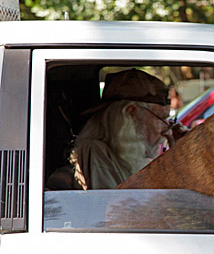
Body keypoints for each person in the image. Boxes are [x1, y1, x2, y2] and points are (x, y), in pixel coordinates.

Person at [46, 68, 187, 190]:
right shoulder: (95, 152)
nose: (166, 130)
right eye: (161, 118)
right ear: (131, 112)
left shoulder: (121, 155)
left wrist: (178, 151)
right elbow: (122, 208)